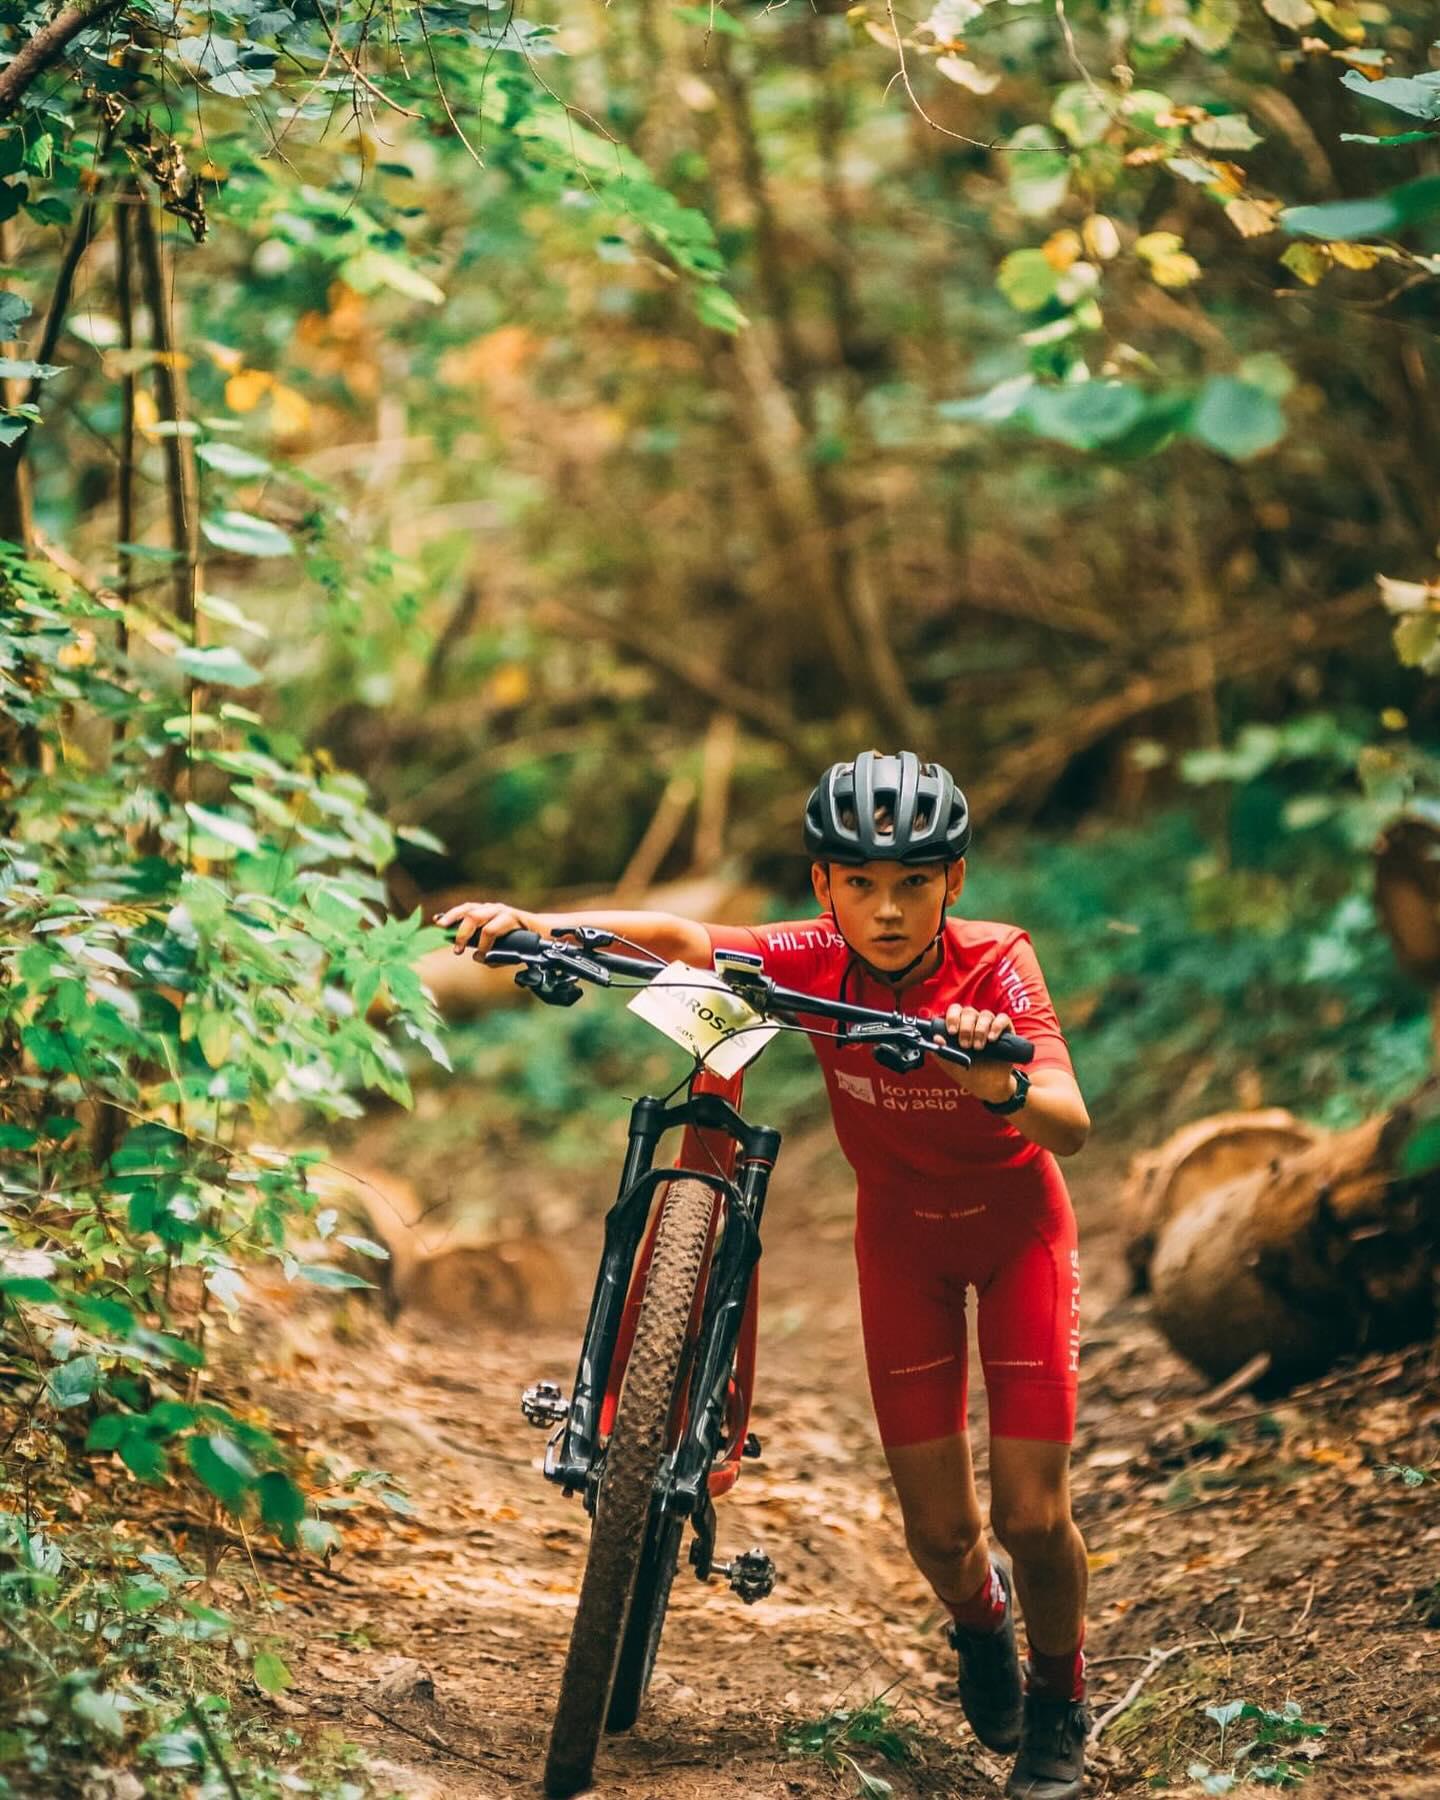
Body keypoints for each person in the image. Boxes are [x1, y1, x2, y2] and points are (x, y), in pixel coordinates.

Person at [437, 750, 1093, 1800]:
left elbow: (1071, 1121)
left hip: (1020, 1239)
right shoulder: (811, 956)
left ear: (954, 881)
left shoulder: (994, 962)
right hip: (901, 1247)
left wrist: (994, 1075)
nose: (887, 910)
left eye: (914, 883)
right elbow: (678, 939)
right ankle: (982, 1624)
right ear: (824, 882)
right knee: (941, 1535)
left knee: (1029, 1516)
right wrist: (541, 924)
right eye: (861, 883)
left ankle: (1059, 1701)